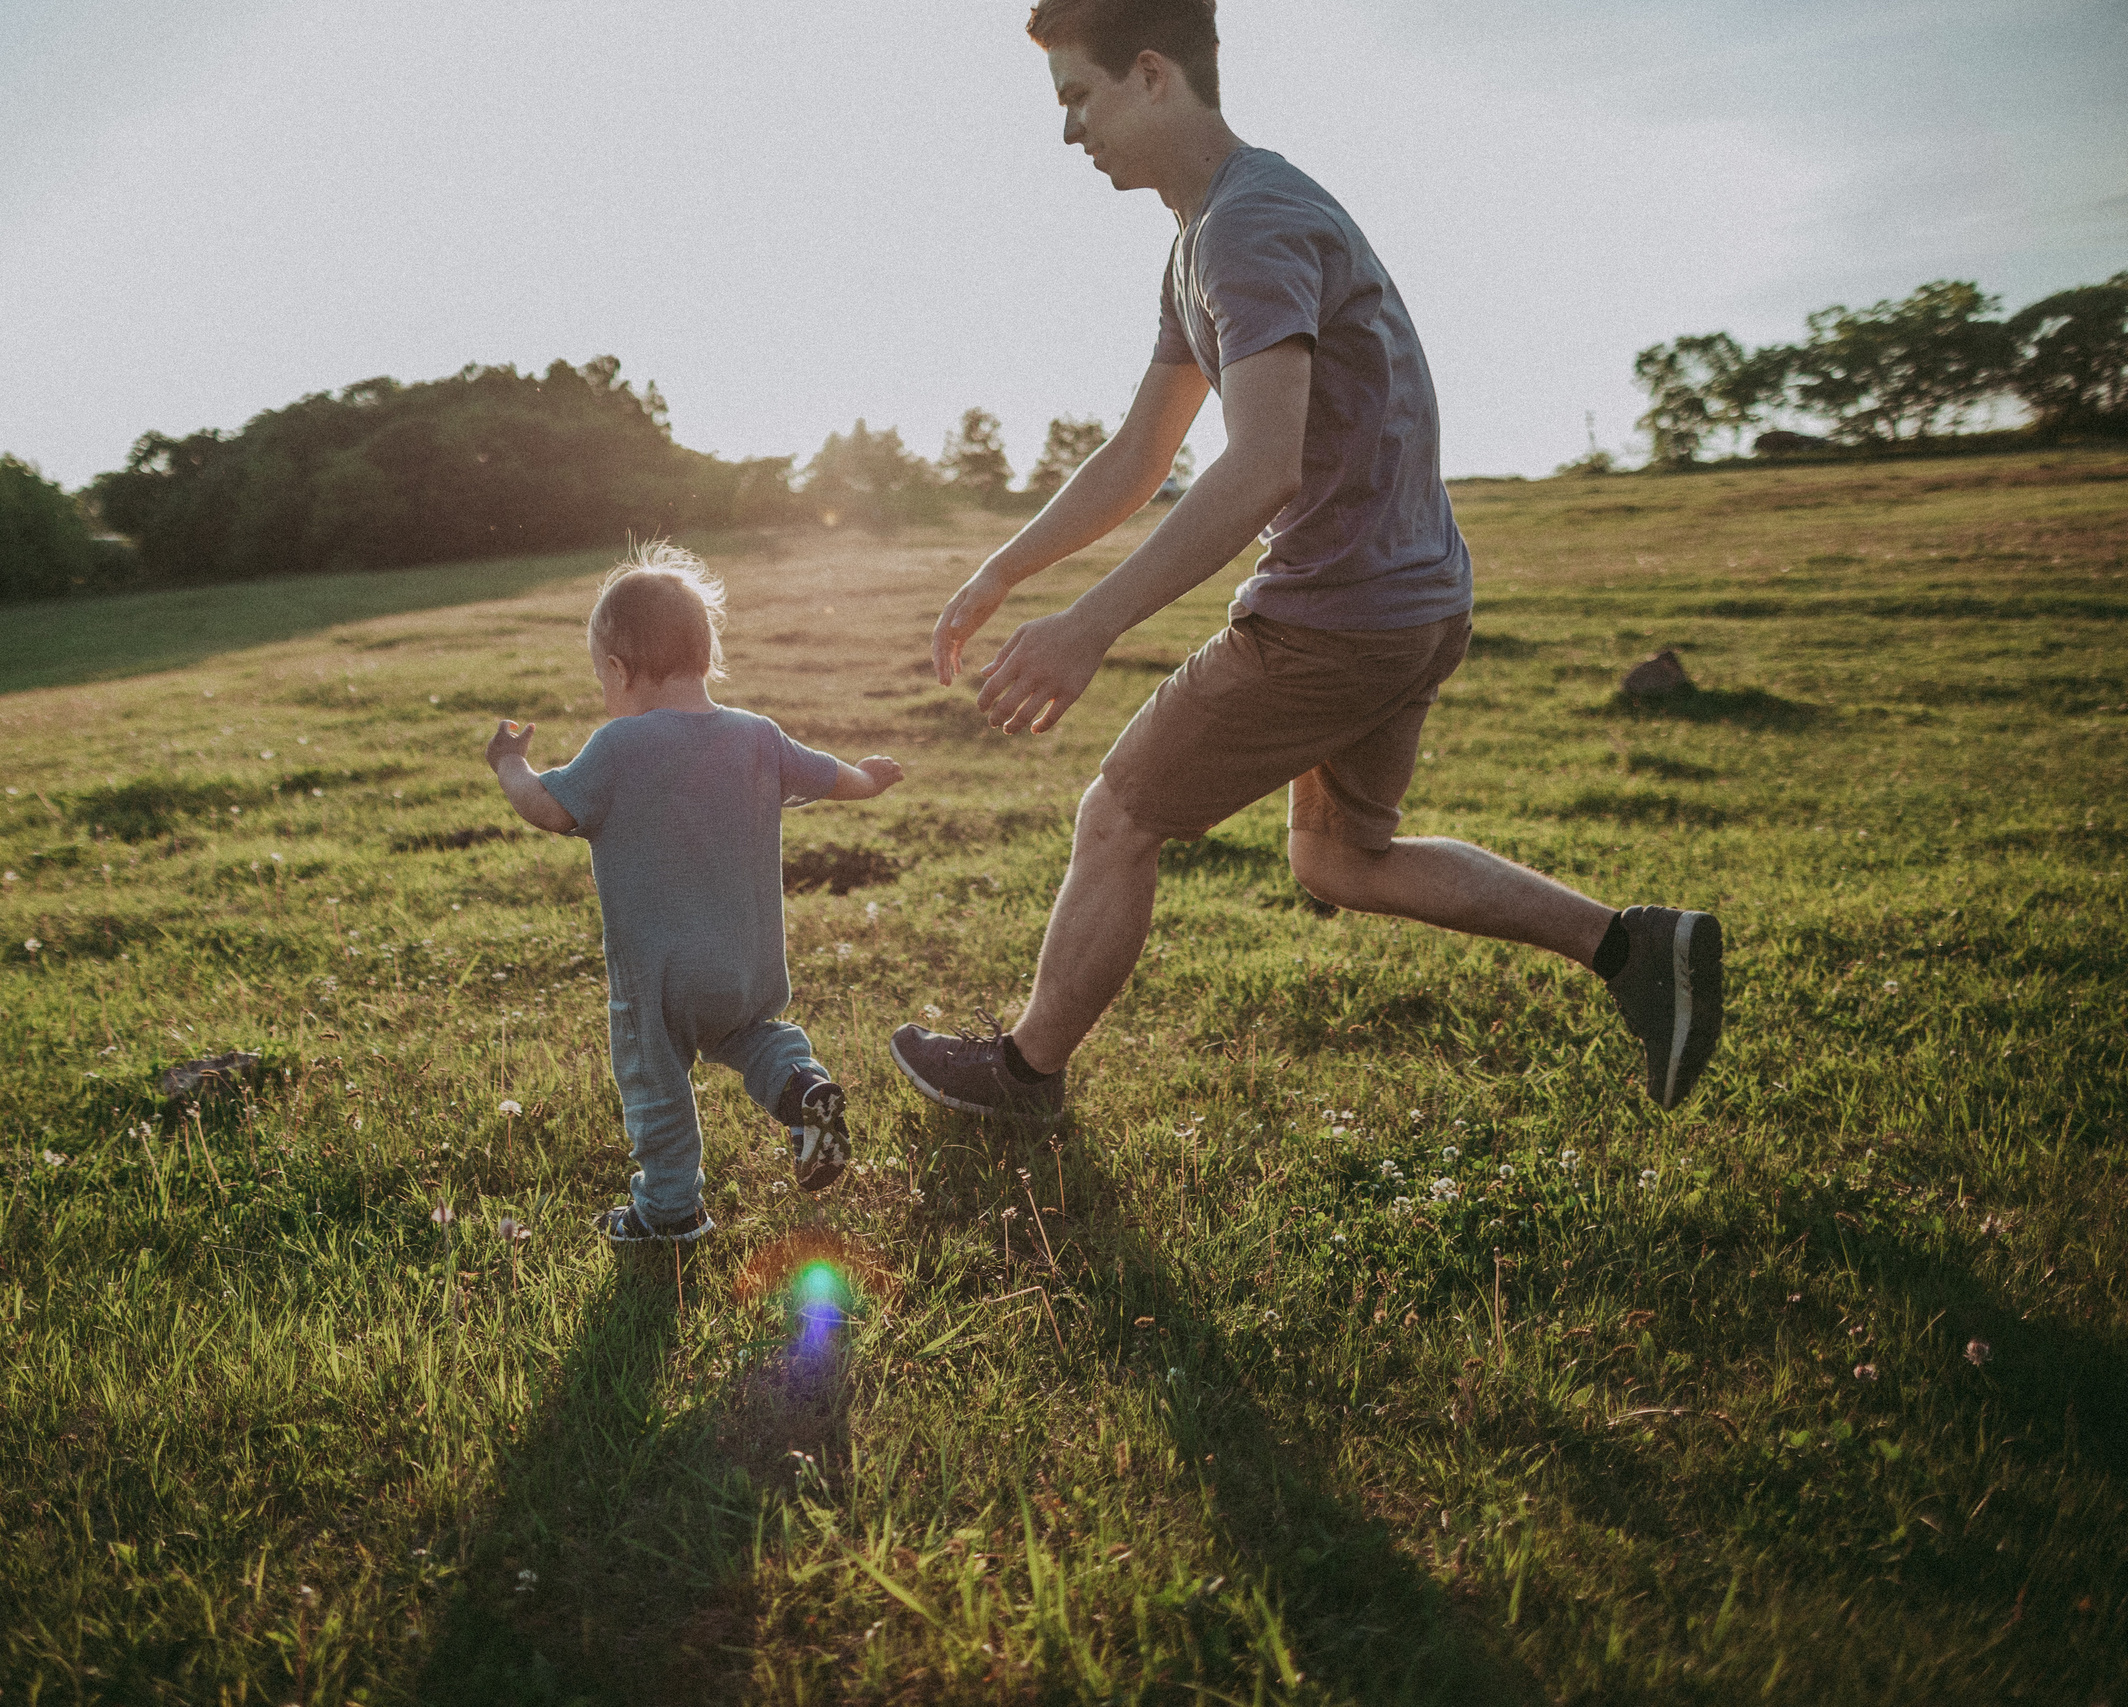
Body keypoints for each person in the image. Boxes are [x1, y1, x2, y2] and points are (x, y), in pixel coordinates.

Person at [889, 0, 1723, 1121]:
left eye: (1077, 99)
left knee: (1119, 815)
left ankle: (1022, 1075)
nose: (1069, 133)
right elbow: (1143, 451)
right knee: (1341, 861)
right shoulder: (1207, 234)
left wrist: (1087, 627)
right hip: (1412, 598)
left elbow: (1258, 467)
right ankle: (1636, 951)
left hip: (1334, 616)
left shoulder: (1248, 226)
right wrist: (1004, 570)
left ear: (1150, 76)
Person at [487, 545, 907, 1243]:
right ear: (707, 655)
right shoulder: (758, 736)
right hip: (748, 967)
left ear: (618, 671)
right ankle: (803, 1086)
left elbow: (549, 808)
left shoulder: (617, 746)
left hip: (659, 978)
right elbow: (826, 775)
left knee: (656, 1084)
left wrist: (510, 765)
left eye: (602, 678)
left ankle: (670, 1209)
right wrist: (867, 776)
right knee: (756, 1039)